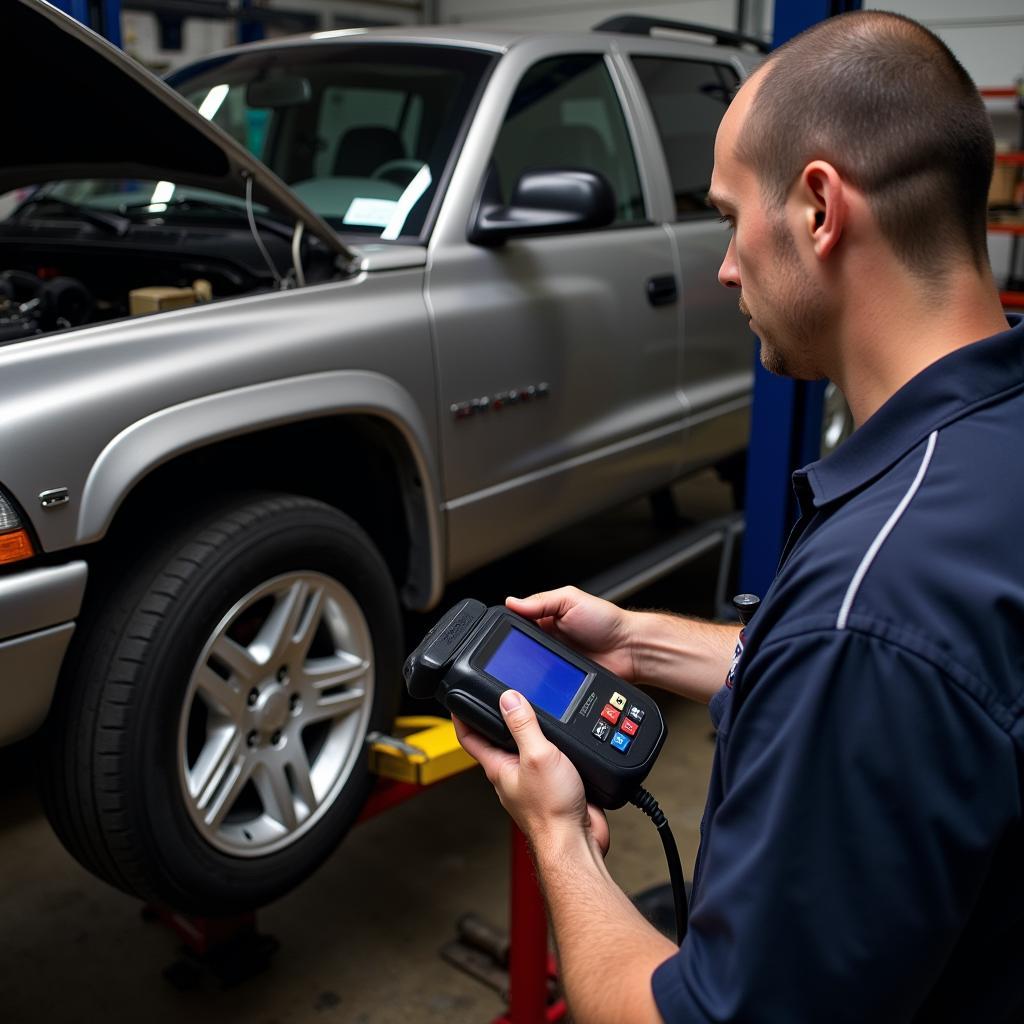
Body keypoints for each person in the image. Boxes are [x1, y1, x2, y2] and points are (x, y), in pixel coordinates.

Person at [453, 10, 1024, 1023]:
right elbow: (918, 682)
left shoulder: (872, 599)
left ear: (816, 209)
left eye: (727, 214)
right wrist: (639, 639)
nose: (722, 265)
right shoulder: (988, 442)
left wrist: (554, 836)